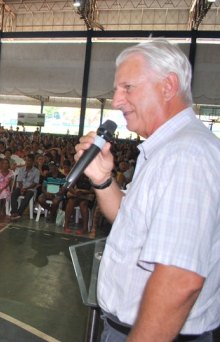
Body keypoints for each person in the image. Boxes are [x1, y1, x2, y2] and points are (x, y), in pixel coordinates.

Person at [74, 39, 220, 341]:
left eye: (128, 87)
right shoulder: (165, 149)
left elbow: (179, 280)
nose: (116, 100)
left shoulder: (185, 155)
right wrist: (103, 179)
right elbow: (132, 223)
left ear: (168, 86)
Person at [9, 154, 40, 220]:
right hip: (21, 187)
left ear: (33, 162)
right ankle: (14, 212)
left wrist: (26, 189)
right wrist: (21, 188)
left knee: (28, 195)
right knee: (13, 194)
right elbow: (19, 181)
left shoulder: (36, 171)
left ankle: (19, 213)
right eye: (27, 160)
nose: (27, 162)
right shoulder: (21, 169)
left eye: (29, 161)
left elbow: (35, 183)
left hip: (30, 189)